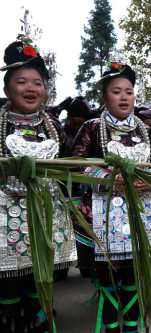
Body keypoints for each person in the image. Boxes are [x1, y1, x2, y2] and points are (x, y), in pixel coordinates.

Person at [71, 62, 151, 333]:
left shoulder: (145, 130)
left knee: (134, 272)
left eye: (129, 91)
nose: (124, 97)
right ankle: (111, 326)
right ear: (103, 98)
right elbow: (74, 163)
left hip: (142, 207)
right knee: (109, 272)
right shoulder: (91, 127)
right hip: (103, 211)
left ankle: (133, 326)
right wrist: (108, 178)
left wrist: (147, 178)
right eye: (116, 91)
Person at [0, 35, 76, 333]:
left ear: (46, 90)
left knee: (39, 270)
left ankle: (37, 314)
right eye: (21, 81)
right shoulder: (0, 121)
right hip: (6, 211)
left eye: (38, 82)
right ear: (7, 88)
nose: (31, 88)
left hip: (47, 210)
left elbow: (68, 163)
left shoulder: (53, 125)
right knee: (9, 274)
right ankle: (8, 318)